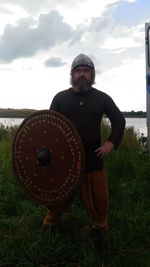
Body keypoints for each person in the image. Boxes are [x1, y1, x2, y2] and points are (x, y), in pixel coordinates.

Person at [43, 54, 126, 232]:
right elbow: (49, 125)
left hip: (92, 155)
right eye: (78, 71)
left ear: (92, 75)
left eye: (86, 71)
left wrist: (111, 142)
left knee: (98, 197)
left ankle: (100, 223)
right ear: (72, 75)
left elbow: (119, 120)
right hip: (64, 157)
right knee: (59, 193)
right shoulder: (60, 98)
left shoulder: (102, 98)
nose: (82, 74)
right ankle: (53, 218)